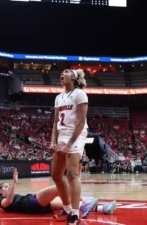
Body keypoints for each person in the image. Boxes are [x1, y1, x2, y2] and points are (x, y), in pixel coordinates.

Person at [50, 69, 88, 225]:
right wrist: (53, 141)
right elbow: (55, 123)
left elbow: (80, 122)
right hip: (62, 135)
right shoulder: (58, 97)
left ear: (73, 76)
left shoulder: (79, 94)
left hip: (76, 134)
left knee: (72, 174)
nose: (61, 74)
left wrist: (69, 145)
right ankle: (66, 209)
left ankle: (75, 214)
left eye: (65, 72)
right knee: (56, 175)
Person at [0, 169, 117, 218]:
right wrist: (14, 182)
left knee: (68, 203)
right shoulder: (1, 201)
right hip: (32, 202)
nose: (8, 188)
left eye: (8, 186)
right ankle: (86, 200)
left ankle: (103, 208)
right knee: (59, 187)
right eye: (5, 187)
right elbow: (7, 202)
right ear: (0, 191)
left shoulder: (12, 196)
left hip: (39, 208)